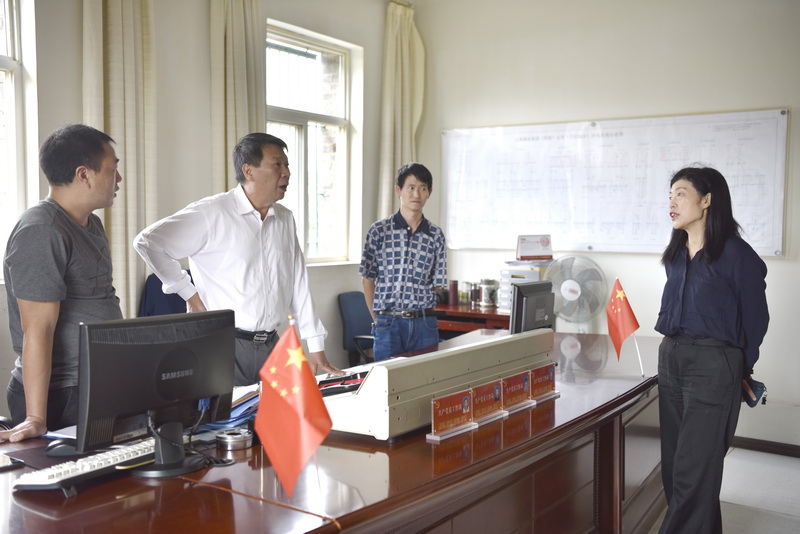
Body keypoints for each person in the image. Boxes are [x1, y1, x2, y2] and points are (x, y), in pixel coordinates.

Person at [133, 133, 341, 386]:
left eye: (287, 165)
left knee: (280, 412)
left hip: (272, 346)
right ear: (249, 171)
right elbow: (147, 242)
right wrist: (190, 295)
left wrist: (316, 345)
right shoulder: (212, 212)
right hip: (223, 344)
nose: (286, 173)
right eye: (277, 164)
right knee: (226, 413)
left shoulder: (285, 218)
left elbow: (298, 283)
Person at [654, 166, 769, 534]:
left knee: (695, 469)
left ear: (706, 201)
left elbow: (756, 319)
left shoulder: (737, 254)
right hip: (671, 359)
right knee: (675, 467)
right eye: (670, 195)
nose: (672, 202)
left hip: (713, 365)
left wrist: (740, 369)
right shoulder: (676, 253)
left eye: (681, 194)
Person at [1, 124, 124, 443]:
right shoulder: (42, 229)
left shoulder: (91, 223)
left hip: (94, 384)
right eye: (113, 169)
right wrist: (36, 417)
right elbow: (38, 329)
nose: (119, 179)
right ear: (84, 174)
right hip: (60, 393)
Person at [360, 162, 447, 361]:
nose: (416, 194)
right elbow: (367, 280)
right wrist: (379, 319)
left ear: (429, 193)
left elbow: (437, 283)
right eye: (411, 187)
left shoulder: (435, 235)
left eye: (423, 188)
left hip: (425, 323)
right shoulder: (379, 231)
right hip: (388, 323)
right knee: (387, 378)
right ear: (398, 190)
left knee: (426, 376)